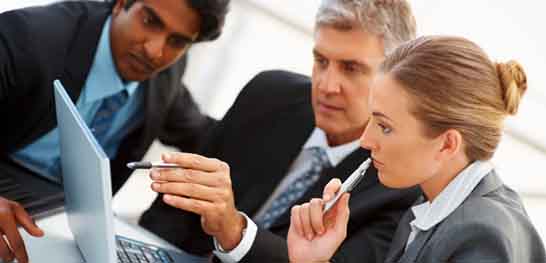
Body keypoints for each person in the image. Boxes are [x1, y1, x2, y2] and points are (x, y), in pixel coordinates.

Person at [140, 0, 421, 262]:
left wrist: (235, 232)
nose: (326, 85)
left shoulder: (401, 187)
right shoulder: (269, 94)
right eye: (321, 61)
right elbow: (169, 215)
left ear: (395, 79)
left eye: (350, 68)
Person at [0, 0, 229, 262]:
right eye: (150, 21)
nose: (155, 51)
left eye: (177, 41)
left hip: (66, 220)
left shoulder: (168, 73)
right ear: (121, 4)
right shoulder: (30, 37)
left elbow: (200, 132)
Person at [287, 35, 546, 263]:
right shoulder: (432, 206)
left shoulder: (482, 236)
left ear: (447, 144)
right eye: (372, 120)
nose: (366, 141)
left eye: (385, 127)